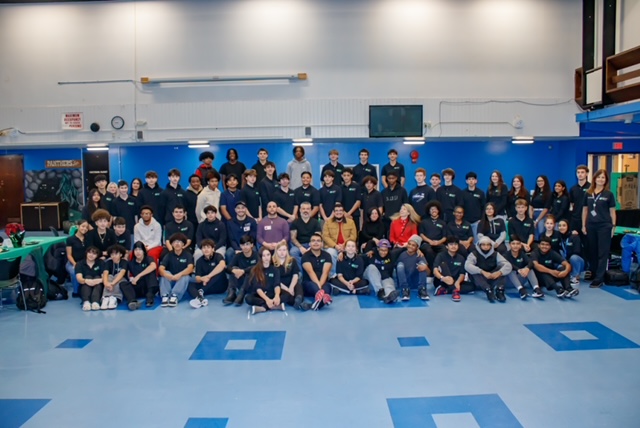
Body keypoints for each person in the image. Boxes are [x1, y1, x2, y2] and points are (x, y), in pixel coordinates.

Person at [581, 169, 616, 288]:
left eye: (603, 178)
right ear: (594, 178)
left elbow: (612, 211)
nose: (601, 180)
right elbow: (585, 210)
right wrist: (583, 225)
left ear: (606, 180)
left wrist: (613, 226)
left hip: (604, 226)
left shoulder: (608, 194)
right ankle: (594, 272)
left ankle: (599, 278)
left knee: (602, 252)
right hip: (591, 225)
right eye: (599, 177)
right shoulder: (588, 193)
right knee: (592, 251)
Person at [464, 236, 512, 303]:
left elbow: (508, 265)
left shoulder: (496, 254)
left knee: (503, 268)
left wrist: (499, 272)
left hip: (492, 277)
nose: (486, 247)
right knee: (473, 270)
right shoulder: (474, 254)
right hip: (479, 281)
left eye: (488, 245)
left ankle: (499, 290)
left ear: (491, 245)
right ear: (479, 245)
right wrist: (482, 272)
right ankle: (488, 290)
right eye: (483, 245)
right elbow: (467, 266)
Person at [432, 236, 475, 302]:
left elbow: (462, 274)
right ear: (446, 246)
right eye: (451, 244)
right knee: (443, 264)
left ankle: (445, 290)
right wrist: (442, 278)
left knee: (472, 286)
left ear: (458, 246)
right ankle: (455, 291)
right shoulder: (440, 255)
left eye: (455, 244)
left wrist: (457, 282)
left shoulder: (461, 258)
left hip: (455, 280)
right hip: (442, 280)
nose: (453, 246)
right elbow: (435, 270)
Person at [245, 247, 286, 315]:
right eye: (264, 255)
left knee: (287, 295)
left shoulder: (275, 269)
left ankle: (264, 308)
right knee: (248, 298)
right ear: (261, 257)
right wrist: (267, 300)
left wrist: (277, 296)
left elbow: (277, 284)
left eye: (268, 255)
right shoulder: (255, 270)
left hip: (272, 293)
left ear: (271, 256)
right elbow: (258, 288)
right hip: (261, 295)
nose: (266, 257)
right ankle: (274, 306)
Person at [189, 239, 228, 309]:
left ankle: (201, 292)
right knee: (189, 284)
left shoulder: (218, 256)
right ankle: (200, 299)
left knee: (219, 272)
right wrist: (202, 278)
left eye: (208, 247)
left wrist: (208, 277)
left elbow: (222, 265)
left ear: (213, 249)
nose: (206, 250)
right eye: (204, 248)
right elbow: (197, 278)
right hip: (206, 285)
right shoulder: (199, 261)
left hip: (219, 286)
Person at [158, 233, 194, 307]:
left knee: (185, 276)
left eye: (180, 242)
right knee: (165, 272)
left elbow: (190, 268)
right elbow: (161, 269)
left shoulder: (188, 255)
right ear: (172, 244)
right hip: (171, 278)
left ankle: (175, 296)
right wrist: (168, 275)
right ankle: (165, 296)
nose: (177, 244)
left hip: (182, 279)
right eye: (175, 242)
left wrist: (179, 274)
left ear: (183, 244)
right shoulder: (168, 255)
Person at [503, 235, 544, 299]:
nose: (515, 246)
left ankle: (536, 289)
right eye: (513, 244)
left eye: (517, 244)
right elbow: (509, 264)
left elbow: (530, 262)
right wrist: (518, 270)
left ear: (520, 245)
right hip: (509, 281)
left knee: (529, 268)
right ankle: (521, 290)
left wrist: (527, 269)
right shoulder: (506, 255)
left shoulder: (522, 253)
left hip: (520, 279)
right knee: (509, 269)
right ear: (509, 245)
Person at [322, 203, 358, 275]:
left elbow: (353, 236)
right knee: (331, 253)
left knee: (351, 252)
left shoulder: (351, 222)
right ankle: (334, 275)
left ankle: (349, 275)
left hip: (347, 246)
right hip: (332, 247)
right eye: (337, 211)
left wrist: (344, 245)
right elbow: (325, 236)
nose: (339, 212)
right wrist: (336, 246)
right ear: (334, 212)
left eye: (341, 210)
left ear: (343, 212)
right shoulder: (328, 222)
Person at [223, 235, 259, 306]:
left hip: (253, 283)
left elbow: (258, 268)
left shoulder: (256, 255)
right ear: (240, 246)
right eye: (243, 245)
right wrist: (234, 271)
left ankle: (242, 293)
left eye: (247, 244)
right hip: (241, 281)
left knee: (251, 270)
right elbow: (227, 268)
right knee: (234, 269)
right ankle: (232, 293)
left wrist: (243, 271)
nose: (245, 247)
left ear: (252, 245)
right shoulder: (238, 256)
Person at [301, 232, 333, 310]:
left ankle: (312, 305)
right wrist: (320, 289)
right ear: (310, 243)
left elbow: (325, 273)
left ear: (322, 244)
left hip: (323, 283)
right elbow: (310, 272)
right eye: (313, 240)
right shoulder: (305, 256)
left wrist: (320, 288)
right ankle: (323, 297)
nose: (316, 242)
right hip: (309, 284)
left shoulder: (327, 255)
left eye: (318, 241)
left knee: (328, 287)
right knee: (313, 286)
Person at [121, 241, 159, 309]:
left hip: (149, 286)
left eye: (140, 250)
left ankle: (149, 298)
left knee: (149, 272)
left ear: (143, 251)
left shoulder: (148, 259)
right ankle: (132, 301)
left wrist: (138, 276)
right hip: (138, 286)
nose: (138, 252)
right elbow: (124, 273)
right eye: (136, 250)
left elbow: (153, 266)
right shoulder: (131, 263)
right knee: (123, 284)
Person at [569, 165, 591, 277]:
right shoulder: (573, 189)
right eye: (578, 172)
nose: (580, 174)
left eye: (582, 172)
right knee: (575, 245)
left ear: (587, 173)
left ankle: (588, 269)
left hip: (588, 222)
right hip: (575, 220)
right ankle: (576, 270)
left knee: (588, 245)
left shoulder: (591, 187)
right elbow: (571, 205)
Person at [273, 242, 309, 310]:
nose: (282, 252)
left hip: (291, 282)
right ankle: (299, 304)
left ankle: (299, 298)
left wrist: (291, 287)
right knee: (287, 295)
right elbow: (276, 280)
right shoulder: (273, 262)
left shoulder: (292, 260)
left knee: (298, 286)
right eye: (280, 250)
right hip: (280, 285)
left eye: (284, 250)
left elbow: (295, 274)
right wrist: (287, 289)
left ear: (287, 251)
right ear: (276, 251)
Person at [363, 239, 398, 304]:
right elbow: (356, 257)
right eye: (381, 250)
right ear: (378, 248)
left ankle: (388, 296)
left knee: (389, 283)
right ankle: (379, 291)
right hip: (372, 281)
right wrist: (343, 253)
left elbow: (405, 249)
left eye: (385, 250)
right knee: (371, 267)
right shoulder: (371, 254)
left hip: (384, 278)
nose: (383, 252)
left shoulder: (392, 255)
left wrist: (418, 249)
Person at [396, 235, 430, 301]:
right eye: (409, 244)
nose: (410, 246)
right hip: (404, 282)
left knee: (422, 264)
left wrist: (425, 267)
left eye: (413, 245)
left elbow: (428, 273)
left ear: (417, 247)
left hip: (415, 282)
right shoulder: (401, 254)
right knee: (400, 265)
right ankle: (404, 290)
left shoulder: (420, 255)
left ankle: (422, 290)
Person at [289, 201, 322, 268]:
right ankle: (300, 272)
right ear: (300, 210)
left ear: (310, 210)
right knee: (293, 252)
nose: (305, 211)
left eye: (307, 209)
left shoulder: (315, 222)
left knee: (322, 251)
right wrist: (301, 248)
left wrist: (311, 247)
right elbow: (293, 238)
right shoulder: (295, 222)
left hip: (312, 244)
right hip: (299, 245)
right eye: (303, 209)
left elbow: (318, 237)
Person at [418, 200, 447, 272]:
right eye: (432, 209)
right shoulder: (424, 222)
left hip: (439, 243)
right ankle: (432, 270)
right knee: (428, 251)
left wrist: (438, 242)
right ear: (429, 211)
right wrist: (430, 241)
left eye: (435, 209)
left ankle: (442, 270)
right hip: (426, 243)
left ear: (438, 211)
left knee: (444, 250)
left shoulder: (442, 223)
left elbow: (445, 237)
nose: (434, 210)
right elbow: (421, 234)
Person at [75, 246, 105, 311]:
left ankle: (95, 302)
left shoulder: (101, 263)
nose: (91, 255)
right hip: (85, 285)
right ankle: (86, 302)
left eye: (94, 254)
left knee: (97, 277)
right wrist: (87, 281)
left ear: (97, 255)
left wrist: (97, 280)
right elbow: (79, 279)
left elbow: (104, 277)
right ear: (86, 253)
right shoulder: (79, 264)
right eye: (90, 253)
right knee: (87, 277)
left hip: (98, 284)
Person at [558, 218, 585, 286]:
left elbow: (577, 251)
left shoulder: (574, 236)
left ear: (568, 227)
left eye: (564, 225)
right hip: (566, 260)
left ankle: (575, 277)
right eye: (560, 225)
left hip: (577, 262)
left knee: (574, 257)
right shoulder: (559, 237)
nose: (561, 227)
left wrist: (567, 262)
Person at [100, 244, 128, 310]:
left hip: (121, 280)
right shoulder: (108, 262)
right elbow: (105, 273)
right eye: (112, 254)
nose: (114, 256)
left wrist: (112, 283)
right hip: (110, 282)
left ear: (121, 254)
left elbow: (122, 273)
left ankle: (115, 298)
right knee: (109, 276)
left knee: (117, 276)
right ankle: (106, 297)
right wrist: (106, 283)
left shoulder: (124, 262)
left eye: (116, 254)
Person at [66, 219, 89, 296]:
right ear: (78, 226)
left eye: (86, 227)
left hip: (85, 262)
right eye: (83, 226)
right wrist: (75, 264)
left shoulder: (88, 238)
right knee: (73, 272)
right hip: (73, 262)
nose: (84, 229)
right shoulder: (70, 239)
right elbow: (69, 255)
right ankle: (76, 291)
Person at [461, 171, 485, 238]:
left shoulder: (481, 193)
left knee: (477, 241)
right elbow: (460, 206)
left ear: (476, 181)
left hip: (477, 221)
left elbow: (484, 207)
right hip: (465, 221)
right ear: (466, 181)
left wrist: (481, 219)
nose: (471, 181)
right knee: (465, 239)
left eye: (473, 179)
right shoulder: (462, 193)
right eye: (469, 179)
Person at [530, 175, 552, 240]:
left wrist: (537, 220)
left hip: (542, 216)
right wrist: (531, 218)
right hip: (534, 215)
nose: (539, 182)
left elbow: (546, 208)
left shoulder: (549, 193)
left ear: (545, 182)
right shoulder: (535, 193)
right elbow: (531, 205)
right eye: (538, 181)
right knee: (533, 234)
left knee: (540, 233)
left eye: (541, 181)